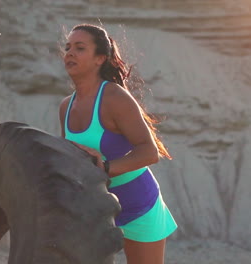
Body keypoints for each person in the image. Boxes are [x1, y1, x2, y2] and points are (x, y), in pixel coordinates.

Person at [58, 24, 177, 264]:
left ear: (100, 58)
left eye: (80, 48)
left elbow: (149, 152)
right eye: (68, 47)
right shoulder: (65, 106)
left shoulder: (114, 97)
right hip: (95, 208)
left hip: (138, 205)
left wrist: (105, 168)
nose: (69, 53)